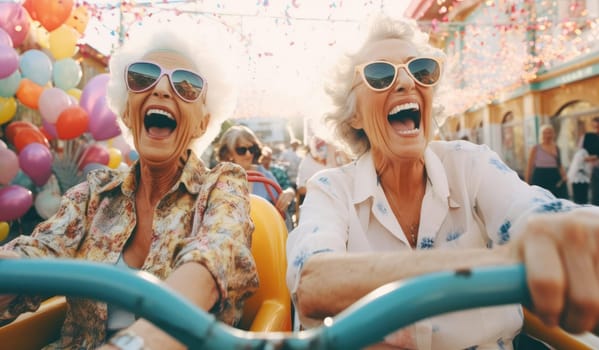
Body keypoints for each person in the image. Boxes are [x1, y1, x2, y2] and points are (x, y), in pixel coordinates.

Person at [286, 15, 599, 349]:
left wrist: (572, 236)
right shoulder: (331, 190)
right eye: (380, 74)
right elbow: (313, 281)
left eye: (420, 70)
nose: (407, 84)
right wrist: (511, 262)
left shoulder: (471, 163)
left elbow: (535, 212)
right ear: (354, 115)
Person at [0, 17, 258, 350]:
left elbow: (213, 263)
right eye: (143, 77)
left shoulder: (221, 186)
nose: (162, 89)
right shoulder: (93, 194)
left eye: (186, 85)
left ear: (201, 123)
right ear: (126, 112)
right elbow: (35, 255)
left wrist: (130, 345)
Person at [216, 125, 296, 221]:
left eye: (252, 149)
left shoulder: (264, 176)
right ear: (229, 153)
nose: (249, 154)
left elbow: (282, 207)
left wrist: (289, 194)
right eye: (242, 150)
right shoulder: (219, 178)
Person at [525, 124, 568, 198]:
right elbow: (529, 167)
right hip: (540, 176)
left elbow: (559, 164)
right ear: (541, 135)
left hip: (554, 176)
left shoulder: (557, 148)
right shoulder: (536, 148)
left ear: (553, 134)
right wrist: (527, 183)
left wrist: (564, 176)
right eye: (545, 133)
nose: (548, 135)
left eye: (550, 132)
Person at [261, 145, 297, 229]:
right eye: (264, 158)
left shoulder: (277, 171)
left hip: (277, 210)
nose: (267, 161)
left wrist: (289, 192)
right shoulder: (253, 172)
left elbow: (288, 187)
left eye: (269, 158)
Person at [567, 132, 598, 204]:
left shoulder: (584, 151)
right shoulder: (582, 152)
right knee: (581, 201)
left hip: (582, 178)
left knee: (581, 200)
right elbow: (586, 159)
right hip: (579, 179)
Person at [587, 116, 599, 205]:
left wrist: (596, 157)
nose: (597, 130)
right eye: (595, 127)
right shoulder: (591, 138)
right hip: (595, 170)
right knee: (595, 196)